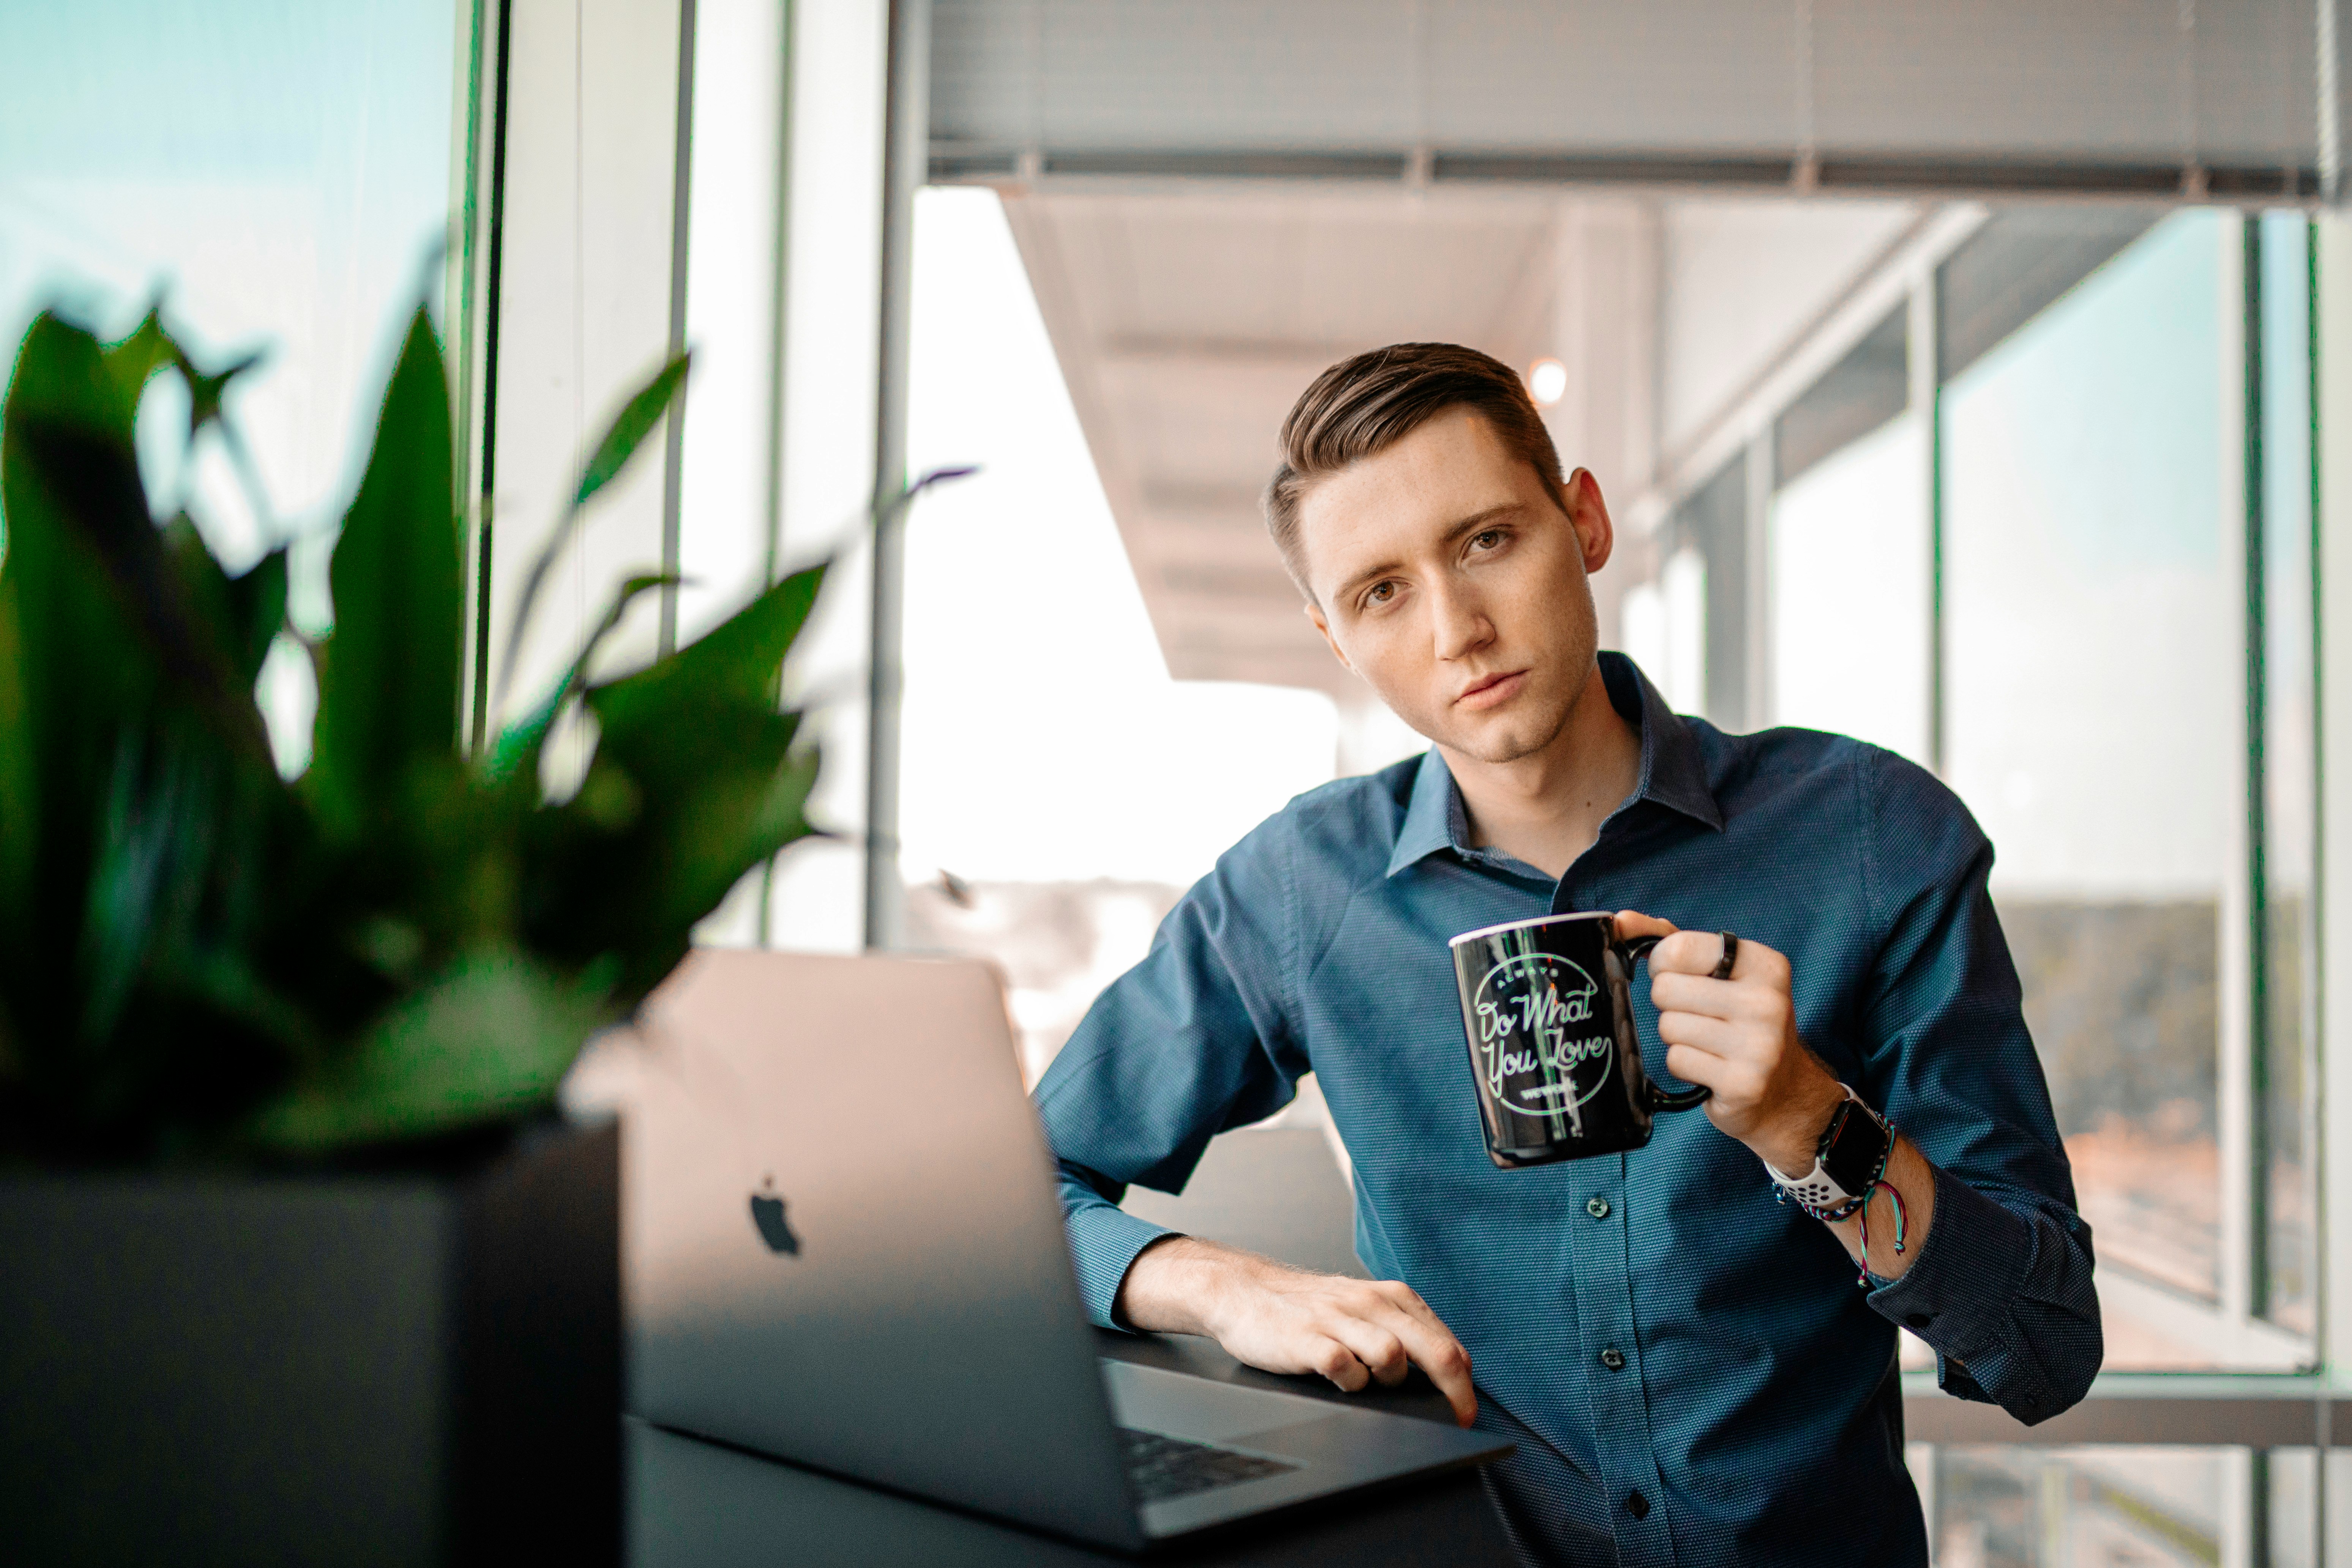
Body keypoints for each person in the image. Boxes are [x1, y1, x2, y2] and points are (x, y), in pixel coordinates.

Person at [1031, 342, 2098, 1566]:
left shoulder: (1866, 834)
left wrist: (1810, 1122)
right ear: (1332, 636)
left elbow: (2042, 1345)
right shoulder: (1295, 886)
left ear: (1580, 521)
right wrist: (1214, 1284)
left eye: (1486, 539)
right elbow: (1015, 1195)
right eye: (1380, 591)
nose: (1456, 628)